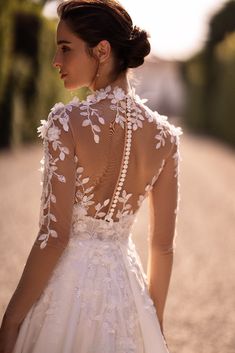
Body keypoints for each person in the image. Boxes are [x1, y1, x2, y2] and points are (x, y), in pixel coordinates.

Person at [0, 0, 183, 352]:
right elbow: (162, 246)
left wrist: (10, 322)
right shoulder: (165, 138)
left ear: (102, 50)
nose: (56, 62)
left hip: (65, 293)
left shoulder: (66, 123)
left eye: (65, 49)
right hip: (129, 296)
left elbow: (55, 236)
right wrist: (153, 322)